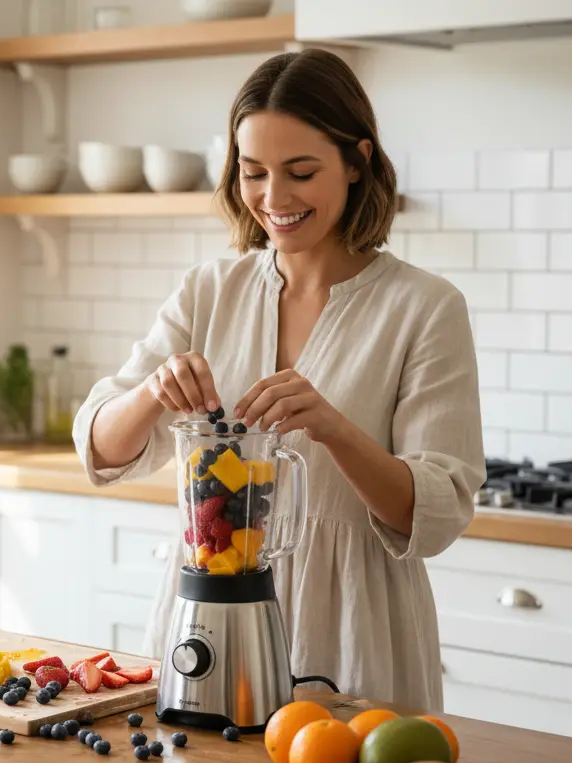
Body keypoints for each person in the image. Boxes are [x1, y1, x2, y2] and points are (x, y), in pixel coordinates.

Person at [71, 48, 485, 712]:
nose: (273, 198)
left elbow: (434, 516)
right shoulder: (209, 291)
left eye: (301, 172)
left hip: (353, 628)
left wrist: (334, 429)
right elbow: (99, 448)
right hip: (207, 618)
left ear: (358, 161)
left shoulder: (425, 307)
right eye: (253, 172)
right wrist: (152, 392)